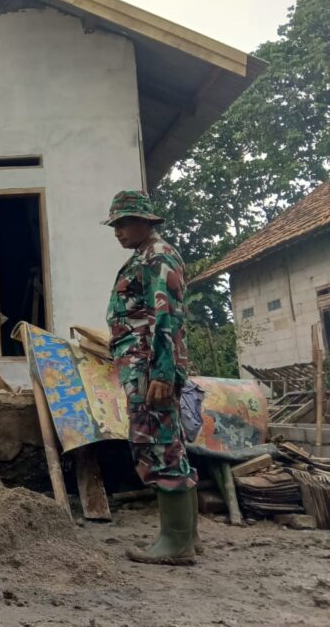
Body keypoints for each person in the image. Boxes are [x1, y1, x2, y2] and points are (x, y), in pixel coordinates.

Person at [103, 190, 199, 566]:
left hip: (148, 367)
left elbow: (167, 316)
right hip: (144, 365)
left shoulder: (156, 257)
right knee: (169, 443)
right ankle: (187, 537)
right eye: (115, 224)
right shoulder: (143, 257)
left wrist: (162, 371)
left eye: (124, 223)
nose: (117, 231)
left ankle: (176, 542)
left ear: (146, 222)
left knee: (159, 445)